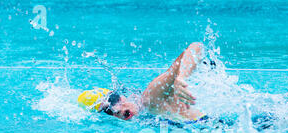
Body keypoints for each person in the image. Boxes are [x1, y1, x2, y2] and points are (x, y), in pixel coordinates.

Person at [77, 42, 207, 121]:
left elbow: (196, 48)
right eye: (108, 111)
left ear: (121, 95)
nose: (115, 109)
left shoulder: (150, 98)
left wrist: (181, 78)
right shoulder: (145, 117)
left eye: (114, 100)